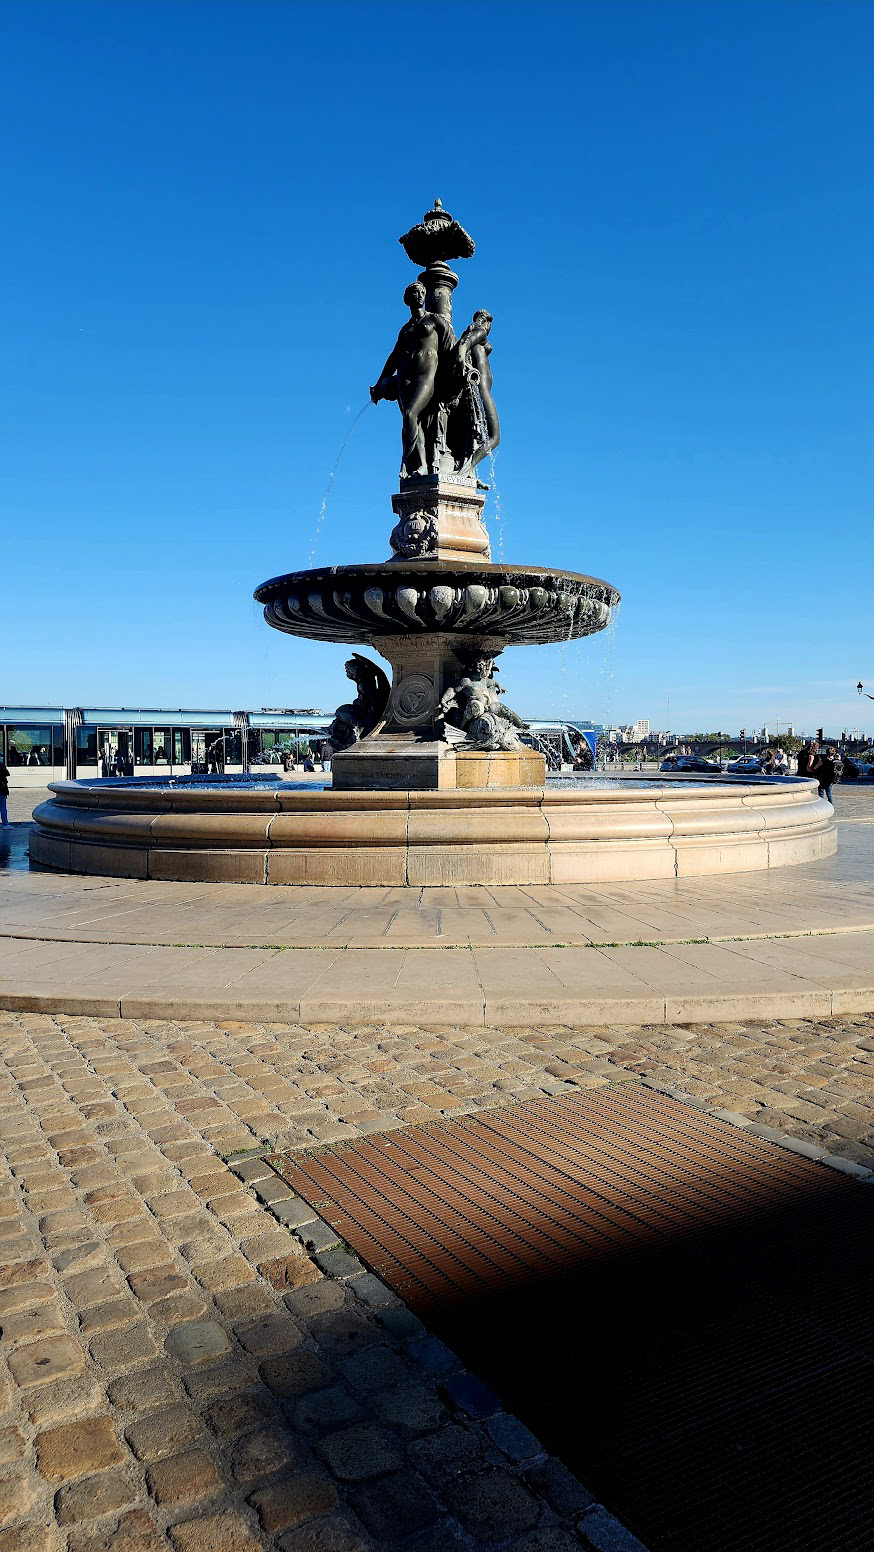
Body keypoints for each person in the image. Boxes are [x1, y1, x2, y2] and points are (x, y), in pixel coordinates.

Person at [0, 753, 9, 827]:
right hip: (1, 789)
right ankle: (5, 824)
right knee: (3, 806)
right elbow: (7, 773)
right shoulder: (1, 766)